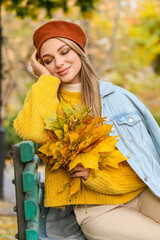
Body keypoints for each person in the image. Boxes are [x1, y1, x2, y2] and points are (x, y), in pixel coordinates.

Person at [13, 20, 160, 240]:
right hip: (99, 210)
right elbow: (33, 133)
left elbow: (144, 160)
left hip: (143, 193)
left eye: (65, 52)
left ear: (80, 51)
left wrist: (95, 175)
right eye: (48, 60)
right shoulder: (49, 101)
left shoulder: (117, 97)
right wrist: (45, 81)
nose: (59, 63)